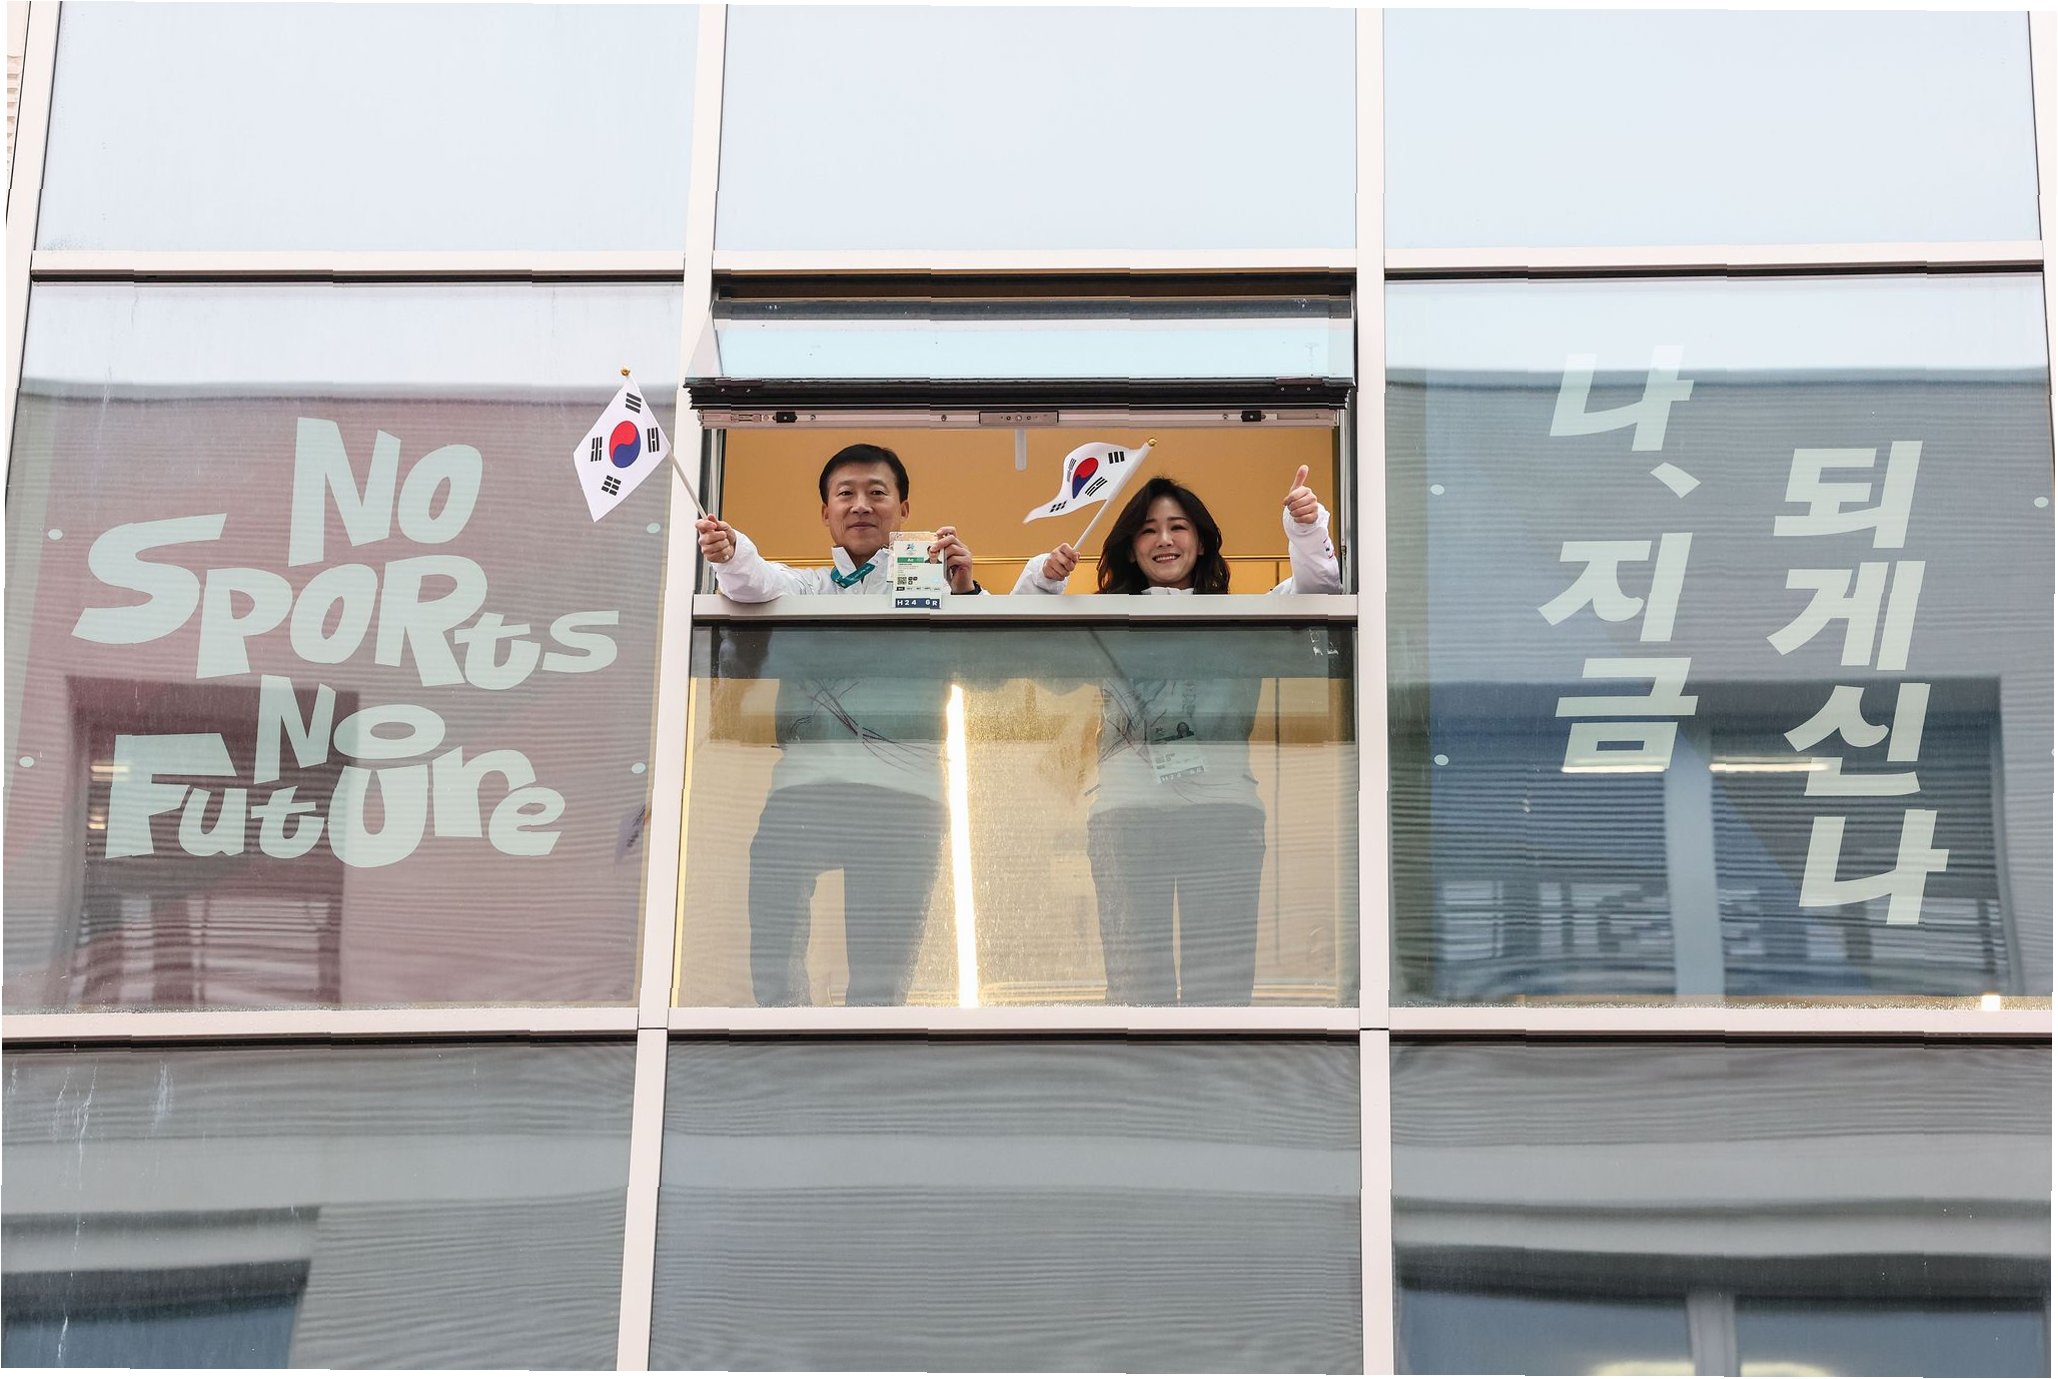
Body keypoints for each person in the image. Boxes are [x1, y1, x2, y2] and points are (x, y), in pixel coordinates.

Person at [1012, 466, 1341, 1004]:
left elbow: (1318, 590)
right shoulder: (1107, 621)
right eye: (1148, 530)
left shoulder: (1240, 617)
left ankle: (1210, 1066)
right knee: (1136, 994)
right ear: (1130, 548)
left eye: (1178, 527)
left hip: (1223, 815)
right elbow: (1034, 661)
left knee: (1221, 993)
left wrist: (1305, 528)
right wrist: (1043, 584)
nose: (1163, 539)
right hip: (1125, 817)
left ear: (1202, 541)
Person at [695, 443, 982, 1005]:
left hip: (904, 796)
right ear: (825, 512)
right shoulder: (808, 588)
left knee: (881, 982)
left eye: (877, 493)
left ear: (904, 509)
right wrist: (730, 552)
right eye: (845, 494)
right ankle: (790, 1051)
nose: (861, 505)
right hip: (804, 790)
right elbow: (753, 581)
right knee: (775, 954)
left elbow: (985, 670)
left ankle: (866, 1062)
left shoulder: (935, 584)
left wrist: (966, 593)